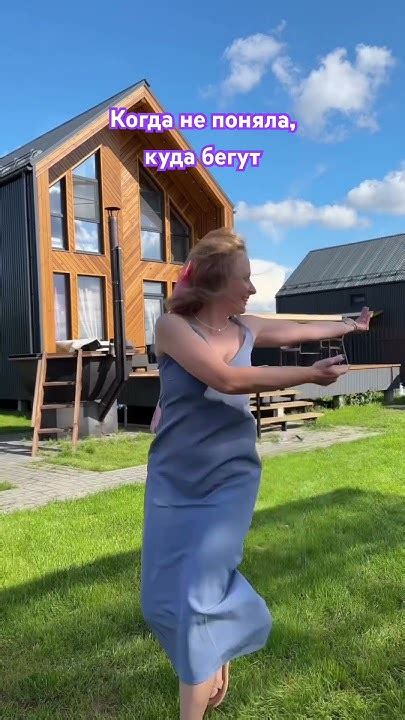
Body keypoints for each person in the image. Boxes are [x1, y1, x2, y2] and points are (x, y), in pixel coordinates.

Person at [141, 228, 369, 720]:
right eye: (243, 279)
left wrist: (351, 324)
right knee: (159, 599)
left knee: (197, 597)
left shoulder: (246, 327)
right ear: (214, 282)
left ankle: (197, 689)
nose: (252, 287)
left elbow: (299, 329)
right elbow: (226, 378)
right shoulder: (174, 328)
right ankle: (218, 645)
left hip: (230, 479)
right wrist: (309, 375)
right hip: (173, 478)